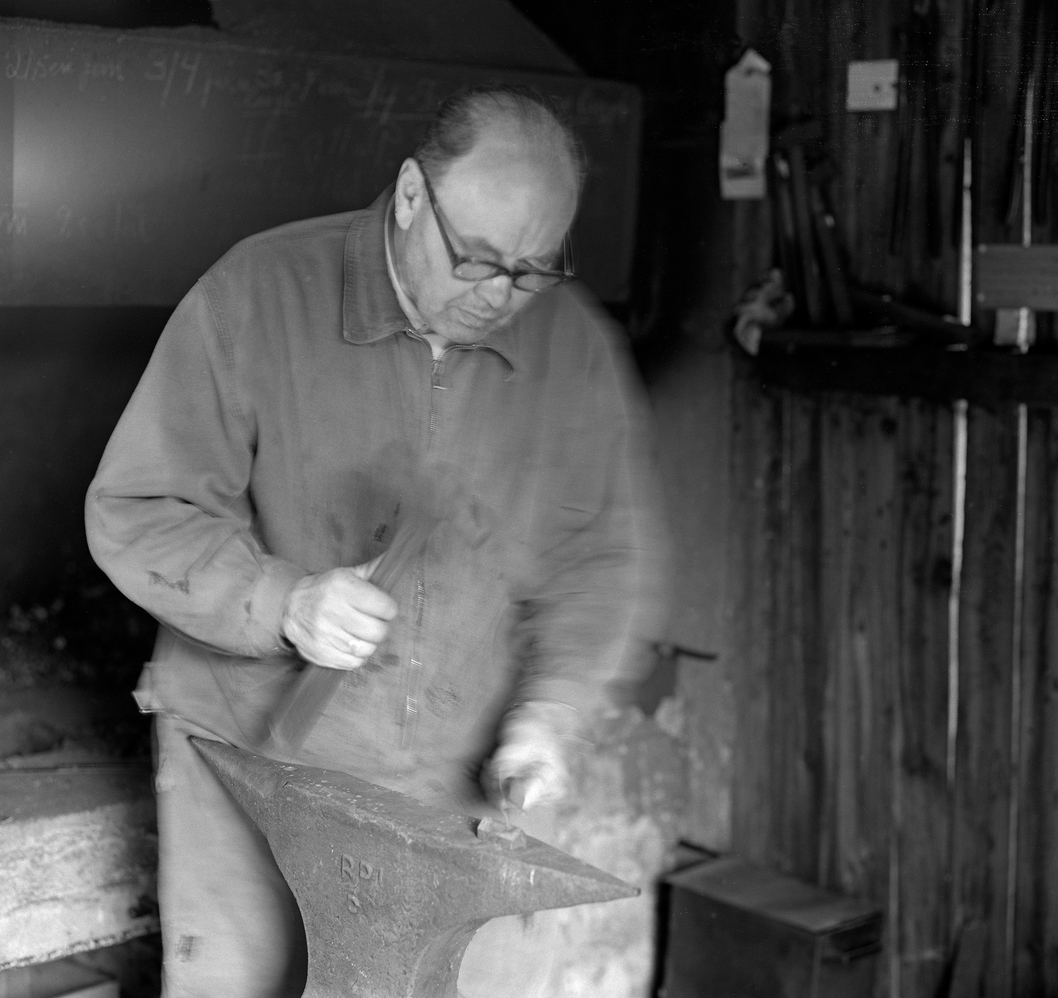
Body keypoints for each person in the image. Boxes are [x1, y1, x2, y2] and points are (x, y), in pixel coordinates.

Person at [85, 85, 664, 998]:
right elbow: (140, 507)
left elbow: (596, 558)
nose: (499, 297)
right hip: (252, 766)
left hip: (451, 783)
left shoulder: (574, 347)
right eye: (476, 259)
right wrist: (285, 602)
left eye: (533, 269)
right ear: (407, 196)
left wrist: (548, 713)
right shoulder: (257, 293)